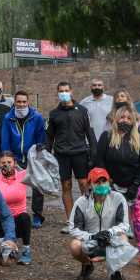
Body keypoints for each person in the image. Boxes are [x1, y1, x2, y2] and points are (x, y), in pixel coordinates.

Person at [95, 106, 140, 270]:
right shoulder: (106, 137)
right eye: (122, 117)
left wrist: (135, 185)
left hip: (134, 185)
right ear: (116, 119)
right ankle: (103, 248)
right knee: (107, 218)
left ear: (133, 121)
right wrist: (108, 183)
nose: (125, 120)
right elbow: (99, 161)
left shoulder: (138, 139)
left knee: (139, 219)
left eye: (129, 118)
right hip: (111, 184)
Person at [68, 168, 133, 280]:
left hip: (110, 239)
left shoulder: (118, 198)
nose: (102, 185)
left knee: (123, 238)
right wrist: (92, 236)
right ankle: (87, 264)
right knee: (74, 245)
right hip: (91, 241)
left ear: (109, 182)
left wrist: (109, 232)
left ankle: (115, 273)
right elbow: (73, 228)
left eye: (104, 181)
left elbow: (124, 224)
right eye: (97, 182)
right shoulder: (81, 202)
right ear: (90, 184)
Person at [46, 81, 96, 232]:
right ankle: (71, 221)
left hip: (80, 153)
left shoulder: (82, 110)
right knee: (66, 186)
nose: (64, 93)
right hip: (61, 155)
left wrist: (94, 154)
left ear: (71, 91)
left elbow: (90, 133)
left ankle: (88, 219)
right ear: (58, 93)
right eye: (61, 91)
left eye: (66, 90)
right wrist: (46, 155)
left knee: (83, 185)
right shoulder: (54, 113)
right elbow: (49, 137)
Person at [1, 91, 47, 228]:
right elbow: (5, 138)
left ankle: (37, 215)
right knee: (11, 184)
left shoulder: (37, 117)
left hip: (32, 156)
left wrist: (39, 154)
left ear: (28, 102)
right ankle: (12, 213)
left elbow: (41, 137)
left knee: (37, 186)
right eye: (18, 102)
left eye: (24, 102)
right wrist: (7, 157)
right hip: (14, 156)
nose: (21, 105)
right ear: (14, 102)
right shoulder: (8, 118)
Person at [0, 152, 33, 265]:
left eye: (9, 162)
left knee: (25, 217)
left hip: (19, 219)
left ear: (14, 163)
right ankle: (1, 247)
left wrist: (38, 153)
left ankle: (26, 250)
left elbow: (38, 168)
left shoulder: (23, 175)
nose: (6, 165)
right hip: (1, 220)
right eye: (3, 162)